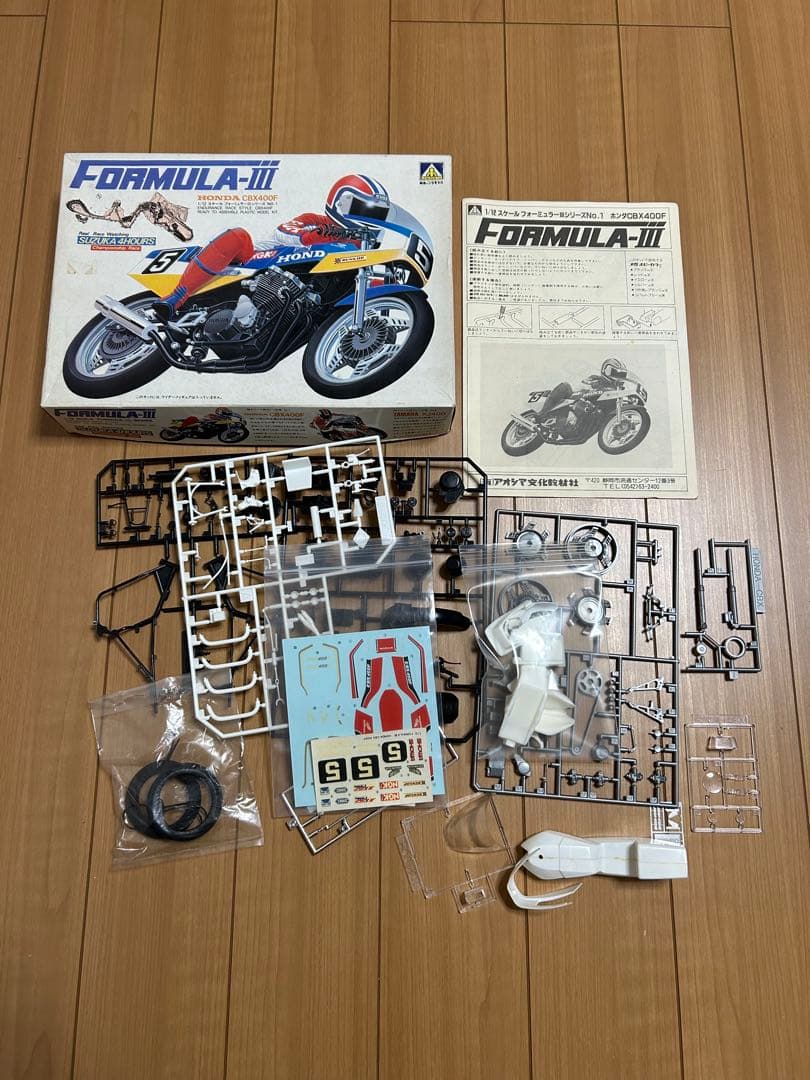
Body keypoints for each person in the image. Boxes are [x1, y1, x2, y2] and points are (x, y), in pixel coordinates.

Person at [274, 174, 390, 248]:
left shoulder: (363, 238)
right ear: (339, 203)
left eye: (378, 213)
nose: (371, 217)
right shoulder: (312, 220)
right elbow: (281, 232)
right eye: (366, 211)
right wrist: (313, 236)